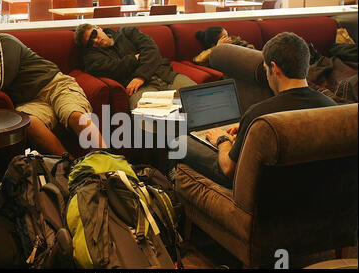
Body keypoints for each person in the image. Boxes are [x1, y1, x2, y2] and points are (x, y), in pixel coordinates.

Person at [178, 32, 337, 188]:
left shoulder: (259, 114)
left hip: (264, 193)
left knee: (179, 142)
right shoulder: (332, 108)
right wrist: (247, 129)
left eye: (266, 69)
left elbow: (229, 169)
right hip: (315, 191)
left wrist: (222, 140)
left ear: (274, 68)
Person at [0, 30, 106, 156]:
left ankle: (110, 164)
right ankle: (71, 167)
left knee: (75, 115)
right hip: (30, 101)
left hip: (54, 84)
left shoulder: (0, 41)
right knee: (29, 123)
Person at [74, 24, 197, 109]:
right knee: (153, 116)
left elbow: (151, 50)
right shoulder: (92, 57)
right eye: (90, 43)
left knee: (198, 97)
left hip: (165, 76)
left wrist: (140, 76)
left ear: (98, 28)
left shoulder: (128, 33)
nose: (95, 41)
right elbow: (112, 69)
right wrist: (134, 58)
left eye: (94, 34)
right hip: (140, 89)